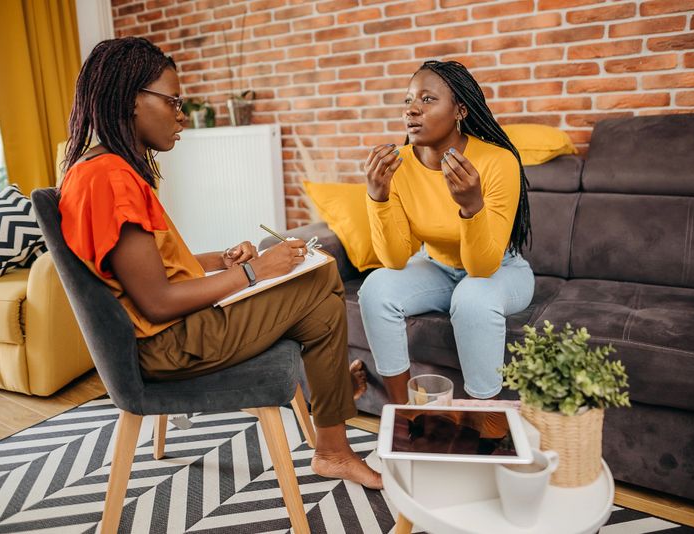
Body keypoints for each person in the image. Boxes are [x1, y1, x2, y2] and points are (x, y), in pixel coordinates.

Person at [58, 37, 381, 490]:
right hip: (171, 344)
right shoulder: (110, 177)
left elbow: (149, 269)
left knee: (316, 294)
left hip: (175, 333)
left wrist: (220, 259)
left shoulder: (96, 169)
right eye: (172, 101)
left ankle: (329, 402)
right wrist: (254, 272)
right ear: (132, 99)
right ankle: (331, 432)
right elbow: (157, 302)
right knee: (323, 277)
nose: (181, 115)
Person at [359, 60, 535, 404]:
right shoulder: (399, 164)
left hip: (501, 269)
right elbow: (394, 260)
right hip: (435, 266)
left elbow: (481, 269)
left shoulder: (497, 161)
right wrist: (377, 197)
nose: (412, 109)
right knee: (376, 287)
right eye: (408, 100)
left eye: (427, 100)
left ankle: (484, 426)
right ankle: (404, 412)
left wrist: (472, 207)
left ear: (460, 110)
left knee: (472, 297)